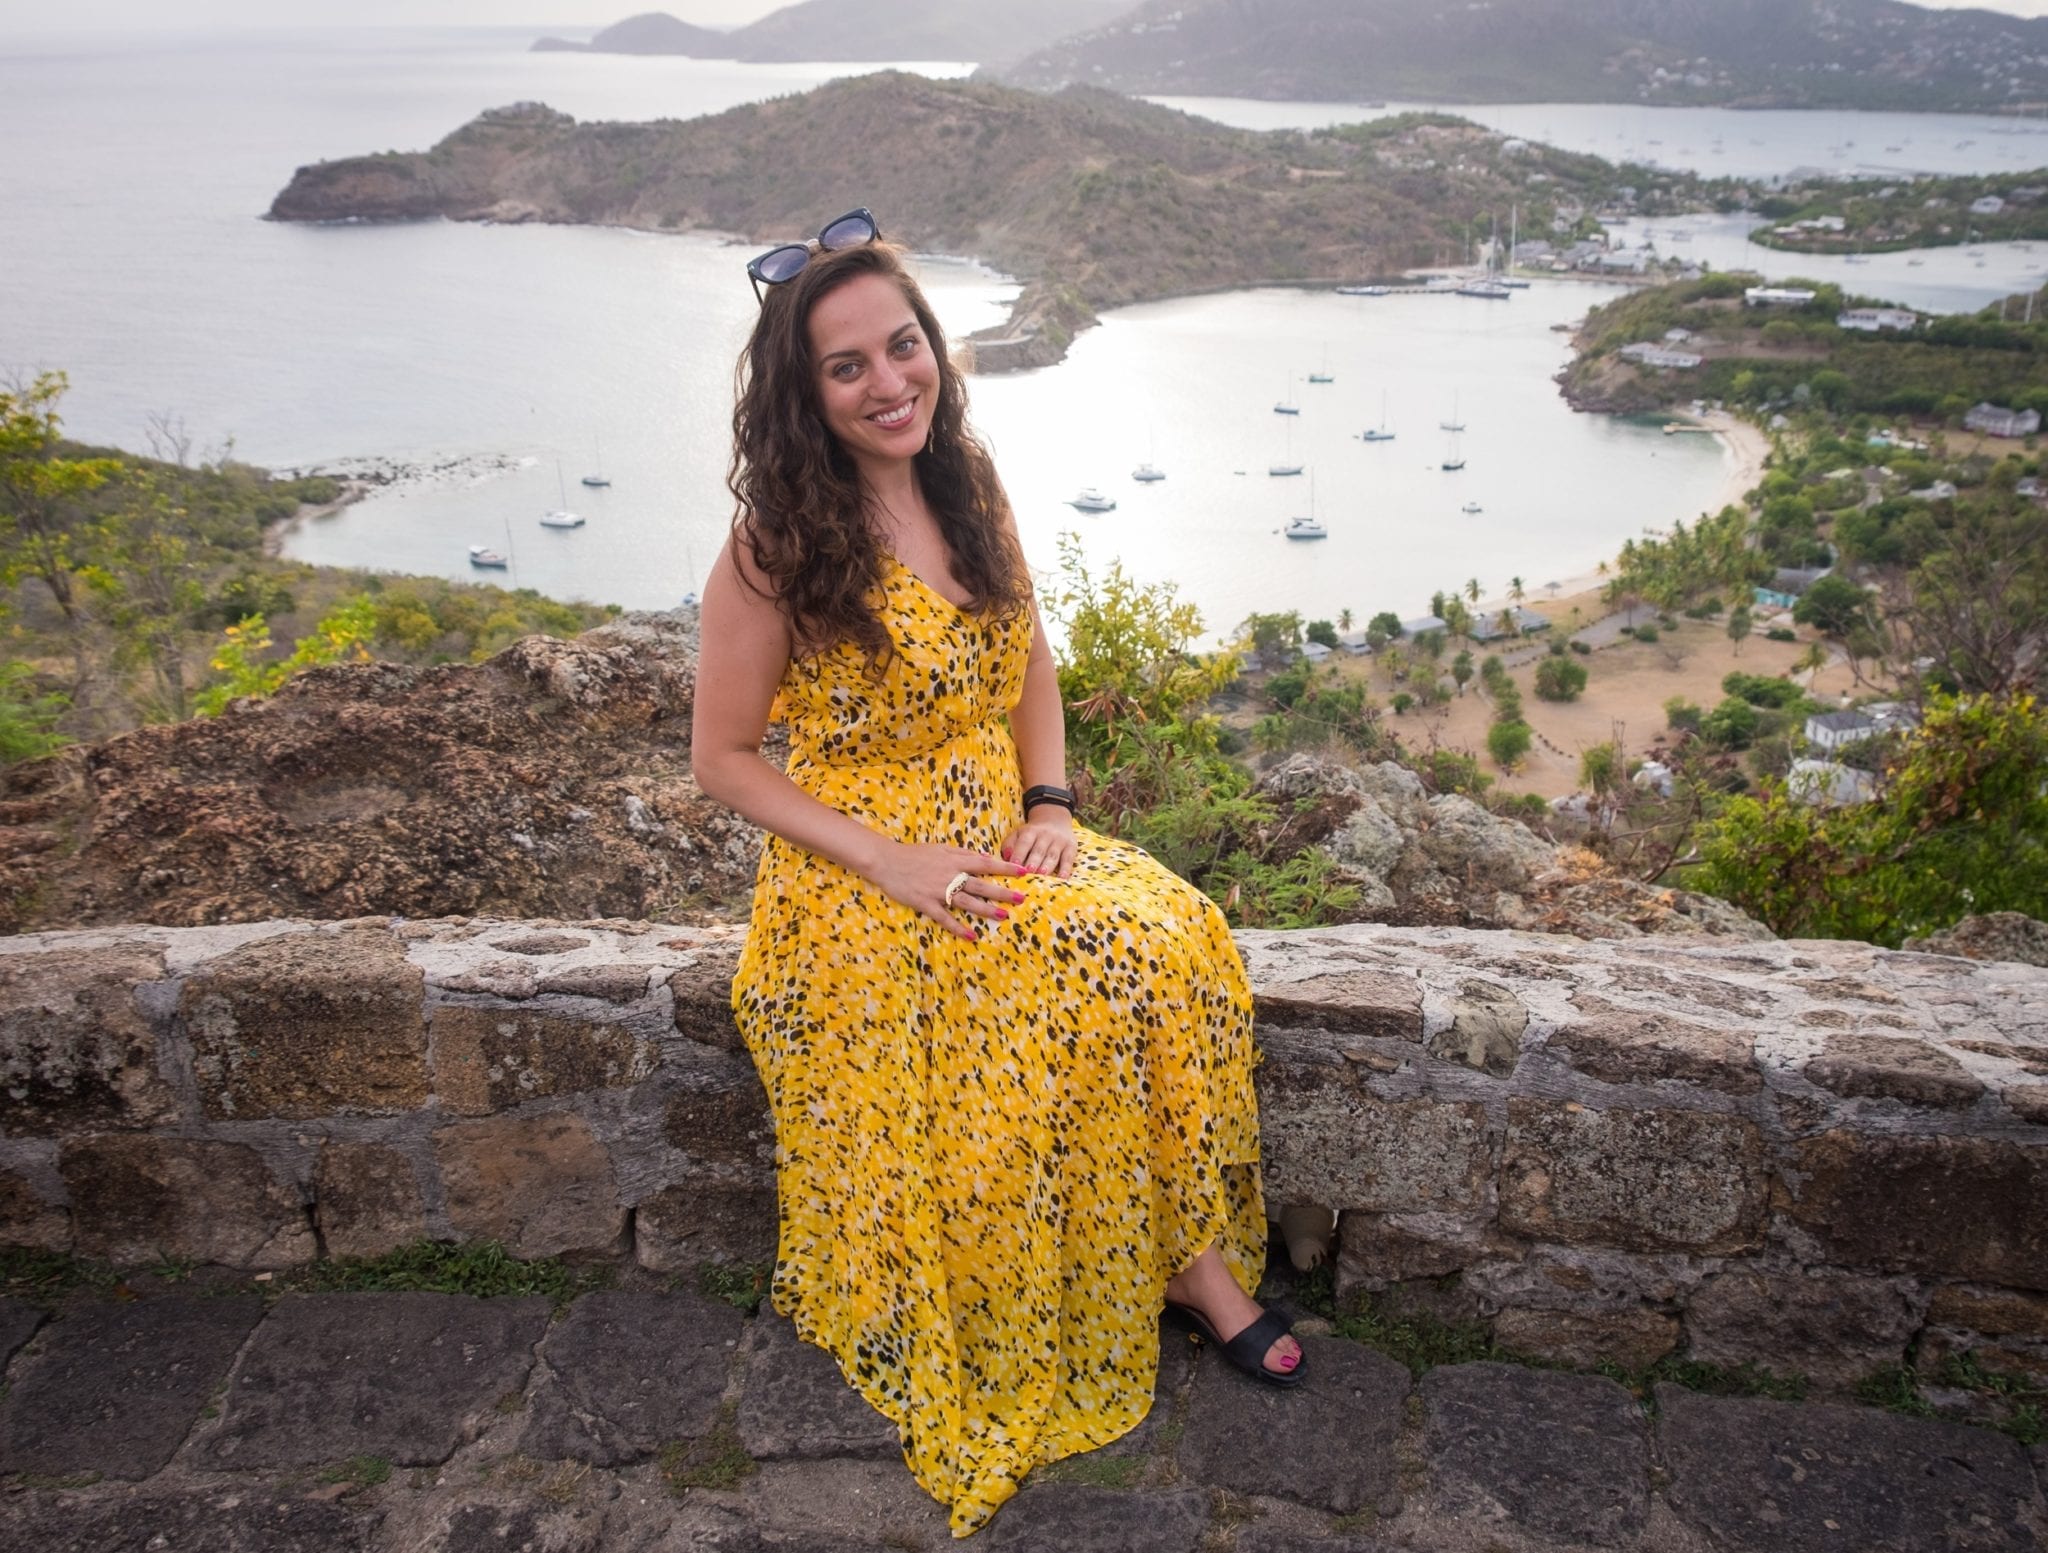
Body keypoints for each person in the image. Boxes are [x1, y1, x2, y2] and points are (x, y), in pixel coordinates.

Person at [690, 209, 1301, 1539]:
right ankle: (1194, 1274)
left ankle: (1163, 1252)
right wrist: (889, 860)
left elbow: (1030, 656)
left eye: (901, 347)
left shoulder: (967, 475)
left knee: (1176, 936)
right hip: (858, 872)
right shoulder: (772, 550)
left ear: (935, 349)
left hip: (993, 824)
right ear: (804, 395)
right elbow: (725, 760)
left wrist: (1052, 797)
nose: (886, 381)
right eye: (845, 367)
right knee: (1070, 983)